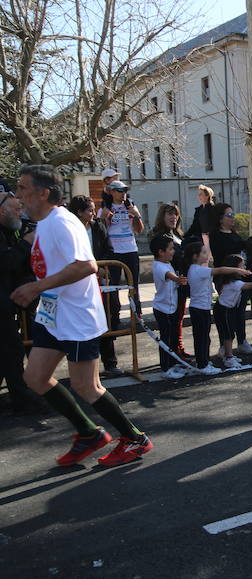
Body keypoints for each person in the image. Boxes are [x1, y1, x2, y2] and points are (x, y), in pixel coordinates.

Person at [12, 165, 152, 466]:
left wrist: (36, 287)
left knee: (86, 387)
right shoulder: (44, 223)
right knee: (35, 378)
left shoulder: (63, 222)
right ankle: (89, 433)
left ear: (43, 193)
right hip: (53, 314)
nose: (18, 194)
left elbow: (85, 266)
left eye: (23, 188)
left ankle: (134, 439)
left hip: (77, 317)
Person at [0, 185, 44, 414]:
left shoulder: (8, 230)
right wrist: (26, 243)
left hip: (6, 305)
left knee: (9, 351)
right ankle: (22, 399)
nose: (20, 212)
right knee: (12, 350)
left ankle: (20, 397)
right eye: (15, 209)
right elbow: (5, 262)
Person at [67, 195, 122, 376]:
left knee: (109, 313)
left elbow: (109, 249)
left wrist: (100, 268)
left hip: (101, 277)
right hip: (79, 281)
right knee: (84, 322)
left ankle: (110, 363)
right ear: (79, 212)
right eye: (89, 210)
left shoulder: (98, 226)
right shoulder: (70, 230)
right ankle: (85, 366)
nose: (93, 213)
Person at [184, 242, 251, 375]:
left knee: (204, 337)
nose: (207, 254)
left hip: (202, 308)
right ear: (195, 256)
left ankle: (203, 361)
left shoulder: (198, 269)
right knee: (202, 338)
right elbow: (219, 270)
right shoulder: (198, 269)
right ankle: (202, 365)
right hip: (199, 308)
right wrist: (238, 270)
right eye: (203, 252)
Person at [213, 254, 252, 369]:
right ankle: (228, 357)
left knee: (229, 333)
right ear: (234, 269)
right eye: (242, 266)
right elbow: (251, 285)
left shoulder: (230, 281)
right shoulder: (235, 283)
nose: (245, 267)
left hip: (226, 309)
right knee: (228, 335)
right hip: (223, 310)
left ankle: (228, 354)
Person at [209, 203, 252, 356]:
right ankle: (224, 345)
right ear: (220, 218)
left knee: (240, 310)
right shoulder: (216, 235)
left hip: (240, 276)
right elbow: (223, 256)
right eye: (229, 215)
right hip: (225, 278)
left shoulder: (234, 233)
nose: (232, 217)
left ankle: (242, 341)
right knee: (227, 312)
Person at [151, 203, 191, 359]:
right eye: (169, 214)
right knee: (171, 323)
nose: (173, 217)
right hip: (171, 283)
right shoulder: (160, 237)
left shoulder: (179, 235)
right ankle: (173, 353)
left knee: (179, 317)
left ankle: (178, 347)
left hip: (181, 281)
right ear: (162, 216)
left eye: (175, 214)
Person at [150, 235, 188, 379]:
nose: (173, 252)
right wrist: (178, 279)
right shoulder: (159, 266)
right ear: (161, 252)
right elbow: (168, 275)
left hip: (171, 308)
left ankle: (173, 363)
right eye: (171, 249)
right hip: (162, 309)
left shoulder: (167, 263)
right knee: (165, 339)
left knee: (172, 337)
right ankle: (165, 368)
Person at [104, 180, 143, 315]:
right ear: (112, 192)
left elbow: (139, 230)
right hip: (114, 251)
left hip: (130, 249)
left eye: (125, 191)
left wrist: (136, 216)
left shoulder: (131, 206)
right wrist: (107, 218)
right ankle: (115, 315)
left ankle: (137, 315)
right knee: (114, 285)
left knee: (134, 285)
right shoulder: (106, 208)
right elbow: (102, 230)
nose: (123, 194)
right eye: (120, 191)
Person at [186, 184, 216, 248]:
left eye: (201, 194)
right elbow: (194, 226)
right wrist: (185, 235)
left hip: (212, 239)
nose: (198, 196)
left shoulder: (214, 209)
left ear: (207, 195)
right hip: (201, 239)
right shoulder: (199, 210)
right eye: (198, 194)